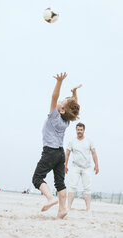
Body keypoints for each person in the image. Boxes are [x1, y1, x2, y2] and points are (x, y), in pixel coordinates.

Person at [32, 72, 82, 218]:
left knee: (37, 178)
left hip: (50, 152)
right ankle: (62, 209)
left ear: (61, 110)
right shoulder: (67, 120)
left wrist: (59, 82)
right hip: (60, 154)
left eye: (62, 102)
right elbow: (73, 110)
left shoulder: (55, 116)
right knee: (60, 182)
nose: (60, 100)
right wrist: (74, 94)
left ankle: (50, 198)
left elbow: (54, 97)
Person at [65, 122, 99, 212]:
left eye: (81, 130)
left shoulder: (89, 141)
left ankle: (88, 209)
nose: (79, 131)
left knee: (87, 188)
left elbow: (94, 153)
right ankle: (68, 207)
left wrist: (96, 165)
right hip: (75, 167)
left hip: (86, 168)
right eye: (78, 129)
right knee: (72, 186)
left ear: (84, 130)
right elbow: (67, 153)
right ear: (76, 130)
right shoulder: (72, 141)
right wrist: (65, 165)